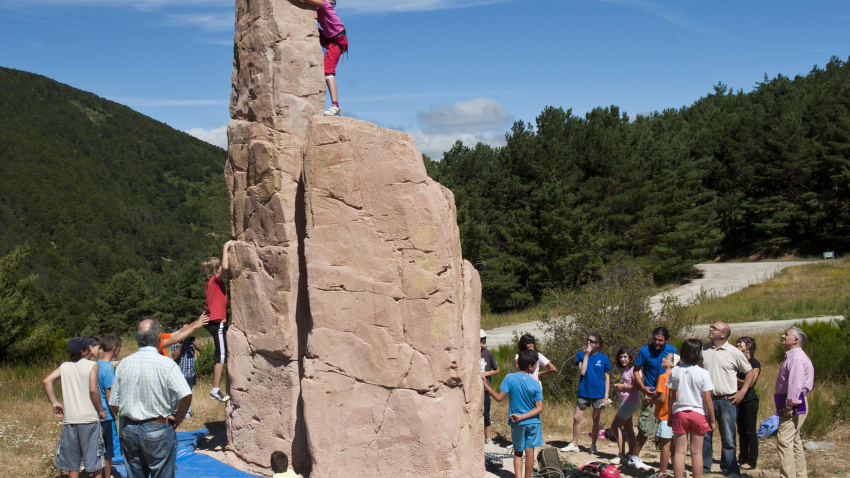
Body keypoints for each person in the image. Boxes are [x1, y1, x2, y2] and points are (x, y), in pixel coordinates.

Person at [109, 317, 193, 478]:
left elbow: (113, 402)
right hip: (158, 428)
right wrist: (179, 416)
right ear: (159, 336)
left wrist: (127, 416)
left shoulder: (123, 364)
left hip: (129, 429)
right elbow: (185, 394)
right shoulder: (166, 364)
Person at [42, 337, 108, 478]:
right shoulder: (92, 365)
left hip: (70, 420)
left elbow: (47, 381)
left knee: (73, 464)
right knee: (95, 463)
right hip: (89, 419)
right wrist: (101, 410)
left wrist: (54, 402)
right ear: (83, 351)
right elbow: (93, 390)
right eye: (87, 347)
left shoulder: (65, 366)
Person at [701, 322, 755, 478]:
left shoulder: (734, 352)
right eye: (710, 327)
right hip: (707, 399)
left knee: (728, 437)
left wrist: (742, 392)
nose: (710, 330)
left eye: (714, 328)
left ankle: (730, 468)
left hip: (727, 400)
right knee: (705, 435)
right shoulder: (703, 349)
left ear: (723, 334)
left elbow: (750, 372)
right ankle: (704, 466)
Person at [482, 349, 544, 478]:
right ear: (530, 366)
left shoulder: (509, 378)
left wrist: (486, 386)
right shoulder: (536, 384)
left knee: (518, 452)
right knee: (530, 452)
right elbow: (539, 408)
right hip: (533, 422)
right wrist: (524, 416)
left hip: (517, 422)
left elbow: (499, 398)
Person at [631, 326, 677, 471]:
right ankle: (634, 457)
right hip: (651, 392)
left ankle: (674, 458)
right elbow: (636, 370)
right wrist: (643, 387)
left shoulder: (672, 351)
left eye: (660, 340)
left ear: (666, 340)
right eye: (655, 339)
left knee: (671, 429)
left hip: (668, 395)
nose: (657, 342)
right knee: (646, 426)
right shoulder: (645, 350)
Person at [669, 339, 716, 478]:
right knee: (697, 452)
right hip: (698, 412)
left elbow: (671, 396)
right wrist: (712, 419)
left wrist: (670, 415)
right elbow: (707, 399)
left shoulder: (675, 371)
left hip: (680, 412)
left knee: (680, 451)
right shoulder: (703, 373)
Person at [561, 332, 611, 454]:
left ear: (597, 344)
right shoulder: (581, 355)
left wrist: (606, 397)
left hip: (598, 393)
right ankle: (574, 444)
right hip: (584, 391)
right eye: (588, 340)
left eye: (592, 341)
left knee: (596, 419)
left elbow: (607, 377)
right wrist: (586, 356)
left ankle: (593, 445)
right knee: (576, 417)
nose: (588, 342)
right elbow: (582, 372)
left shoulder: (603, 358)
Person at [774, 327, 814, 478]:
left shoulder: (796, 359)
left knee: (784, 440)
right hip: (793, 401)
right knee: (795, 441)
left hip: (793, 402)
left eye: (787, 334)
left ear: (795, 340)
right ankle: (800, 475)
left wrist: (790, 405)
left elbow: (795, 384)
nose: (783, 336)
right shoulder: (794, 357)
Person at [297, 0, 348, 116]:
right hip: (329, 38)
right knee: (308, 26)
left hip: (338, 41)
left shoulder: (326, 5)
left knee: (328, 71)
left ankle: (335, 105)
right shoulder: (319, 7)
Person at [202, 241, 232, 402]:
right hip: (218, 323)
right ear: (215, 270)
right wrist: (225, 248)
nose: (221, 267)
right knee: (221, 356)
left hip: (216, 322)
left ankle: (218, 387)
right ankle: (215, 390)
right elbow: (225, 268)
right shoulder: (214, 281)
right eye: (218, 266)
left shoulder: (209, 284)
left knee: (223, 354)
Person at [609, 347, 640, 466]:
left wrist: (624, 387)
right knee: (628, 428)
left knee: (615, 425)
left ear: (630, 357)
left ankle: (621, 454)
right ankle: (631, 454)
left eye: (625, 357)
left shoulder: (634, 369)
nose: (622, 359)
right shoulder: (626, 369)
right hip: (624, 401)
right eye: (621, 357)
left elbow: (639, 387)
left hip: (630, 402)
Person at [650, 352, 680, 478]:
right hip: (676, 414)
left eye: (666, 358)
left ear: (672, 363)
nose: (663, 359)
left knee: (665, 444)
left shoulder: (663, 377)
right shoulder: (678, 376)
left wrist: (651, 400)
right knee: (675, 444)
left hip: (665, 415)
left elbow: (662, 398)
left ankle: (662, 471)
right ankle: (677, 469)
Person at [97, 334, 123, 478]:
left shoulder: (97, 364)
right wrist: (116, 416)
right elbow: (110, 396)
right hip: (107, 415)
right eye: (119, 348)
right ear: (114, 348)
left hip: (97, 413)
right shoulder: (107, 369)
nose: (119, 351)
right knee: (107, 451)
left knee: (99, 448)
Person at [735, 336, 761, 470]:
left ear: (749, 346)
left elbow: (750, 382)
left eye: (741, 343)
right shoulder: (737, 362)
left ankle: (751, 461)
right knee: (741, 431)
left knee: (750, 431)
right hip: (738, 400)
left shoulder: (754, 363)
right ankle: (742, 457)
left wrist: (733, 378)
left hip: (749, 400)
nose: (738, 344)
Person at [171, 323, 204, 416]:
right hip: (179, 373)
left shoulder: (191, 341)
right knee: (175, 394)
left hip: (190, 373)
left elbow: (201, 349)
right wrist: (180, 344)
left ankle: (187, 413)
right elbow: (175, 356)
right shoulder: (176, 341)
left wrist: (192, 342)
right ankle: (172, 411)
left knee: (188, 394)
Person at [479, 329, 500, 445]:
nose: (483, 341)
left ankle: (488, 438)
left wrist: (485, 374)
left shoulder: (488, 354)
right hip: (474, 389)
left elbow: (497, 370)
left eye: (484, 339)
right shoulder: (470, 353)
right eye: (481, 339)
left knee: (486, 413)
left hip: (486, 389)